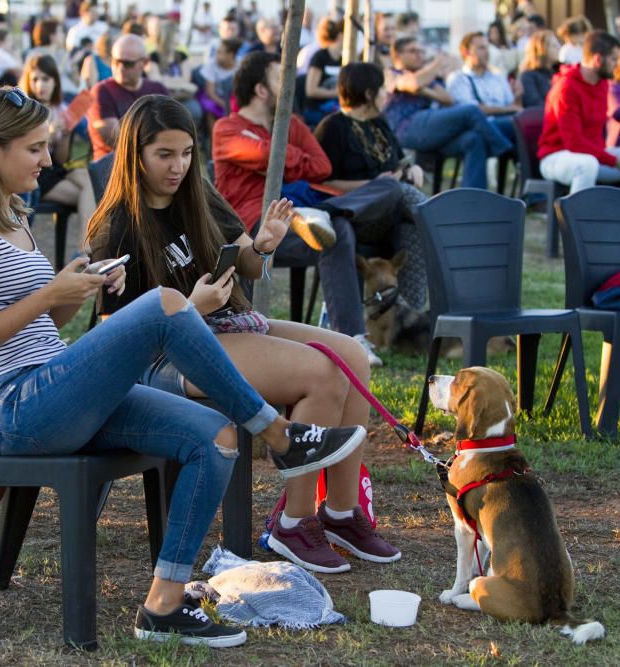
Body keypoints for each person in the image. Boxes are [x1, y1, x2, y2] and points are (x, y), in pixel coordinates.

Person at [0, 85, 367, 647]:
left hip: (51, 385)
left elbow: (46, 325)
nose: (48, 160)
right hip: (10, 406)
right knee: (165, 303)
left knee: (218, 436)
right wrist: (49, 296)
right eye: (35, 148)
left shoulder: (10, 213)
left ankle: (162, 604)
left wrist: (76, 288)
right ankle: (280, 433)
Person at [86, 94, 401, 574]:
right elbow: (116, 335)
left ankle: (340, 513)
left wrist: (263, 245)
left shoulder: (197, 192)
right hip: (168, 355)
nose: (178, 167)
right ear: (136, 155)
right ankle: (294, 524)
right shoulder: (115, 227)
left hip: (226, 322)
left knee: (351, 358)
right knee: (321, 376)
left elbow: (245, 260)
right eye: (164, 155)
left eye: (187, 153)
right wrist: (191, 308)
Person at [213, 52, 403, 366]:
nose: (289, 85)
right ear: (261, 90)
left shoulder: (291, 122)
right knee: (339, 229)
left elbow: (321, 165)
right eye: (280, 78)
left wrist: (285, 160)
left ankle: (350, 338)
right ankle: (351, 336)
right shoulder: (226, 129)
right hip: (257, 227)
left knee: (385, 192)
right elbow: (268, 156)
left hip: (305, 216)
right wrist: (289, 159)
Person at [538, 31, 620, 257]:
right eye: (614, 59)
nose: (618, 65)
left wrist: (617, 159)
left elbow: (597, 141)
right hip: (556, 156)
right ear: (598, 59)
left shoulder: (602, 84)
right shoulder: (566, 87)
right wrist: (619, 162)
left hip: (594, 155)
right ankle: (576, 242)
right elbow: (574, 142)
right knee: (586, 164)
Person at [315, 62, 428, 310]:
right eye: (382, 89)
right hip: (358, 215)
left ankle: (410, 316)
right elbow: (322, 182)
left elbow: (399, 163)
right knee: (401, 194)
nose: (386, 94)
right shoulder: (333, 128)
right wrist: (373, 186)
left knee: (413, 230)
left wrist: (412, 169)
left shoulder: (380, 123)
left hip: (393, 211)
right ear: (368, 94)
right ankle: (444, 226)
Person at [384, 36, 511, 190]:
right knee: (471, 110)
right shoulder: (391, 73)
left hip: (432, 129)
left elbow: (447, 99)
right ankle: (504, 149)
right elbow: (414, 83)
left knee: (473, 140)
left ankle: (474, 200)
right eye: (413, 51)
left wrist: (423, 90)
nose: (419, 55)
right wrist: (437, 64)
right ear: (397, 55)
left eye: (421, 51)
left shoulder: (426, 77)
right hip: (406, 128)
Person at [19, 53, 95, 235]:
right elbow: (24, 149)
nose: (40, 85)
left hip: (54, 168)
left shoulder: (60, 109)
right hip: (33, 171)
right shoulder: (24, 108)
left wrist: (67, 134)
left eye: (46, 79)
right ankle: (85, 250)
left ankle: (84, 249)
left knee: (88, 182)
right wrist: (50, 135)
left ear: (55, 81)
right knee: (91, 195)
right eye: (35, 79)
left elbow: (62, 158)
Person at [87, 33, 169, 160]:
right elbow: (117, 140)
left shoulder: (158, 89)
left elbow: (171, 130)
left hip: (154, 163)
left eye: (127, 63)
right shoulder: (101, 91)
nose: (120, 68)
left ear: (144, 63)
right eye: (115, 61)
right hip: (114, 166)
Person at [446, 31, 521, 144]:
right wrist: (506, 109)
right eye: (481, 48)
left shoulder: (498, 77)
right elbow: (472, 112)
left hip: (503, 122)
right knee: (517, 125)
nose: (487, 52)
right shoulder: (458, 79)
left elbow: (512, 105)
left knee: (525, 123)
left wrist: (518, 97)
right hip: (477, 126)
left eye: (487, 47)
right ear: (466, 52)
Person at [303, 17, 343, 128]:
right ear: (340, 35)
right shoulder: (320, 57)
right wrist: (336, 93)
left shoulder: (342, 59)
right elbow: (311, 90)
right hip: (317, 111)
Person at [519, 29, 560, 108]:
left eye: (558, 44)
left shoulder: (560, 71)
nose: (558, 48)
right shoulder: (528, 76)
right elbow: (534, 103)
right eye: (554, 46)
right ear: (541, 49)